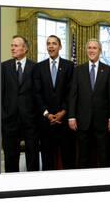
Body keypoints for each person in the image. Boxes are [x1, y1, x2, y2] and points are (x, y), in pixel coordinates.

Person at [68, 38, 110, 168]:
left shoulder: (108, 70)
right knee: (83, 156)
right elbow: (73, 95)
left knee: (103, 155)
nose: (92, 50)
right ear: (86, 50)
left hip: (102, 121)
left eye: (95, 48)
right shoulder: (78, 70)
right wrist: (71, 116)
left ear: (100, 51)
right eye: (89, 48)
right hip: (82, 121)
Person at [34, 35, 76, 170]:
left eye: (54, 43)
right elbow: (37, 93)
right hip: (46, 122)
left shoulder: (69, 66)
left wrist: (62, 112)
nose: (51, 46)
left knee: (68, 159)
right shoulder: (39, 67)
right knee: (47, 160)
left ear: (60, 47)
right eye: (48, 44)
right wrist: (47, 114)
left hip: (64, 121)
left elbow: (71, 92)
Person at [1, 35, 39, 172]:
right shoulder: (3, 67)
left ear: (25, 48)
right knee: (10, 156)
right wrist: (3, 115)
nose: (12, 48)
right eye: (12, 45)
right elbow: (0, 93)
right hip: (9, 120)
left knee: (32, 156)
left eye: (16, 45)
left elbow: (37, 94)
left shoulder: (35, 67)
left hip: (30, 120)